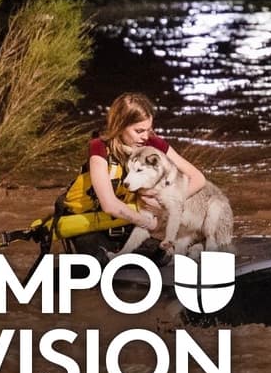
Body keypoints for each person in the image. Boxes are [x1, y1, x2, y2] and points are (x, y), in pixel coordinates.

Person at [59, 92, 208, 261]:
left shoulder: (152, 144)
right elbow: (109, 205)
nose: (145, 136)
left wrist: (167, 202)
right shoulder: (98, 148)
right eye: (139, 131)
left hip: (127, 225)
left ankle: (196, 244)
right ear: (120, 126)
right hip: (94, 224)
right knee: (100, 264)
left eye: (148, 130)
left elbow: (197, 178)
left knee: (163, 257)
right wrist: (148, 223)